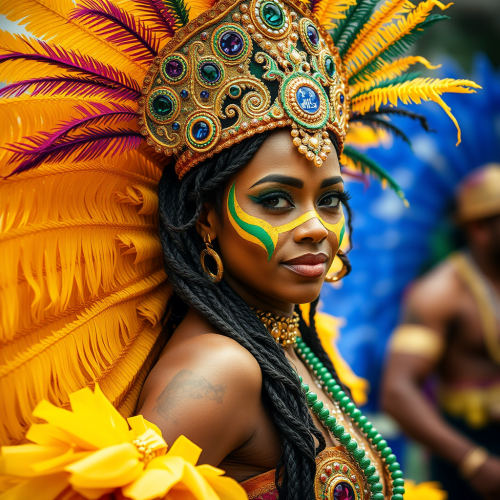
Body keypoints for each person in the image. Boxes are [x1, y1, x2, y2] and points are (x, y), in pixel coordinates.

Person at [0, 0, 479, 499]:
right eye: (276, 200)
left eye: (331, 199)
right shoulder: (218, 369)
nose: (317, 227)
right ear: (206, 218)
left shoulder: (281, 341)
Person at [382, 165, 500, 500]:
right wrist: (474, 462)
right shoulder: (439, 294)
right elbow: (397, 392)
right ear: (479, 229)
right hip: (473, 454)